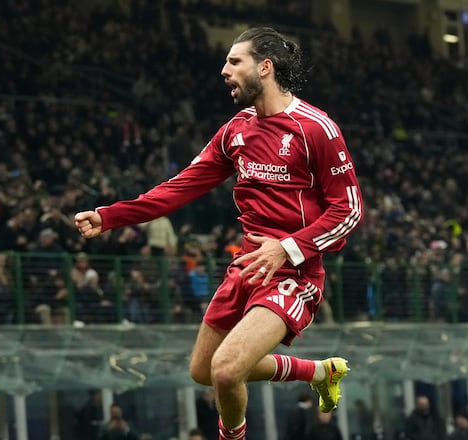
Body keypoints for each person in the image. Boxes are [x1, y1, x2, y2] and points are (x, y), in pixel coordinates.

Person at [74, 27, 363, 440]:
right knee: (203, 371)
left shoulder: (316, 128)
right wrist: (110, 216)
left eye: (234, 61)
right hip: (247, 267)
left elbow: (349, 211)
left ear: (265, 67)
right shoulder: (236, 130)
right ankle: (319, 372)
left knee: (226, 371)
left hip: (294, 273)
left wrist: (287, 249)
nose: (224, 70)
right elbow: (180, 186)